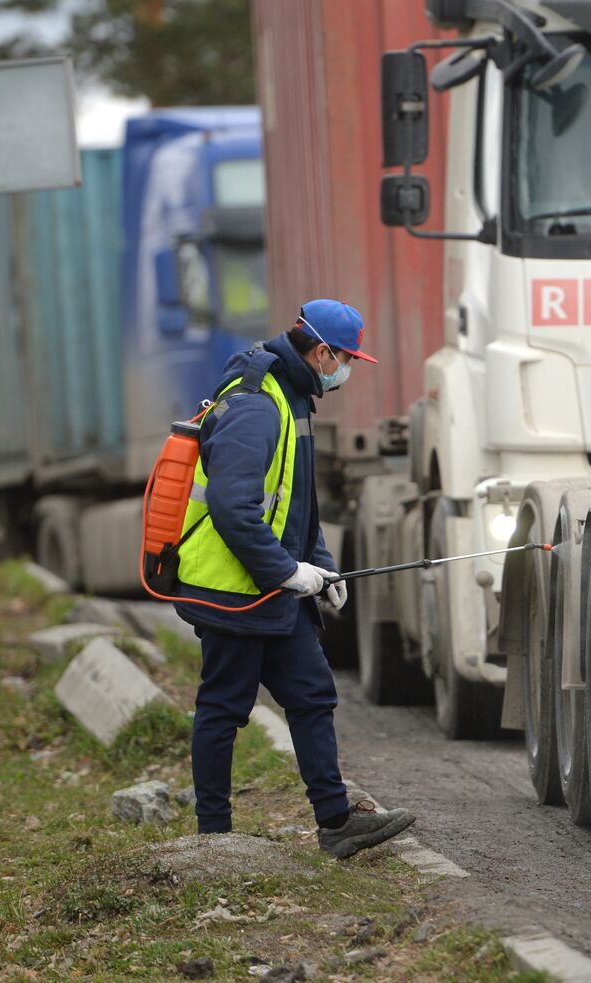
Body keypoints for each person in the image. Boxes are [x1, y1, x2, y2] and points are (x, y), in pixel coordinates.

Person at [173, 298, 415, 858]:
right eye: (347, 358)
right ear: (322, 351)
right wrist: (286, 572)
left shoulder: (293, 397)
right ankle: (214, 841)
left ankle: (336, 823)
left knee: (311, 695)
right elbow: (234, 508)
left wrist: (322, 566)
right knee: (224, 708)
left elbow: (296, 504)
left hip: (270, 590)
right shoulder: (258, 405)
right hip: (233, 590)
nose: (348, 371)